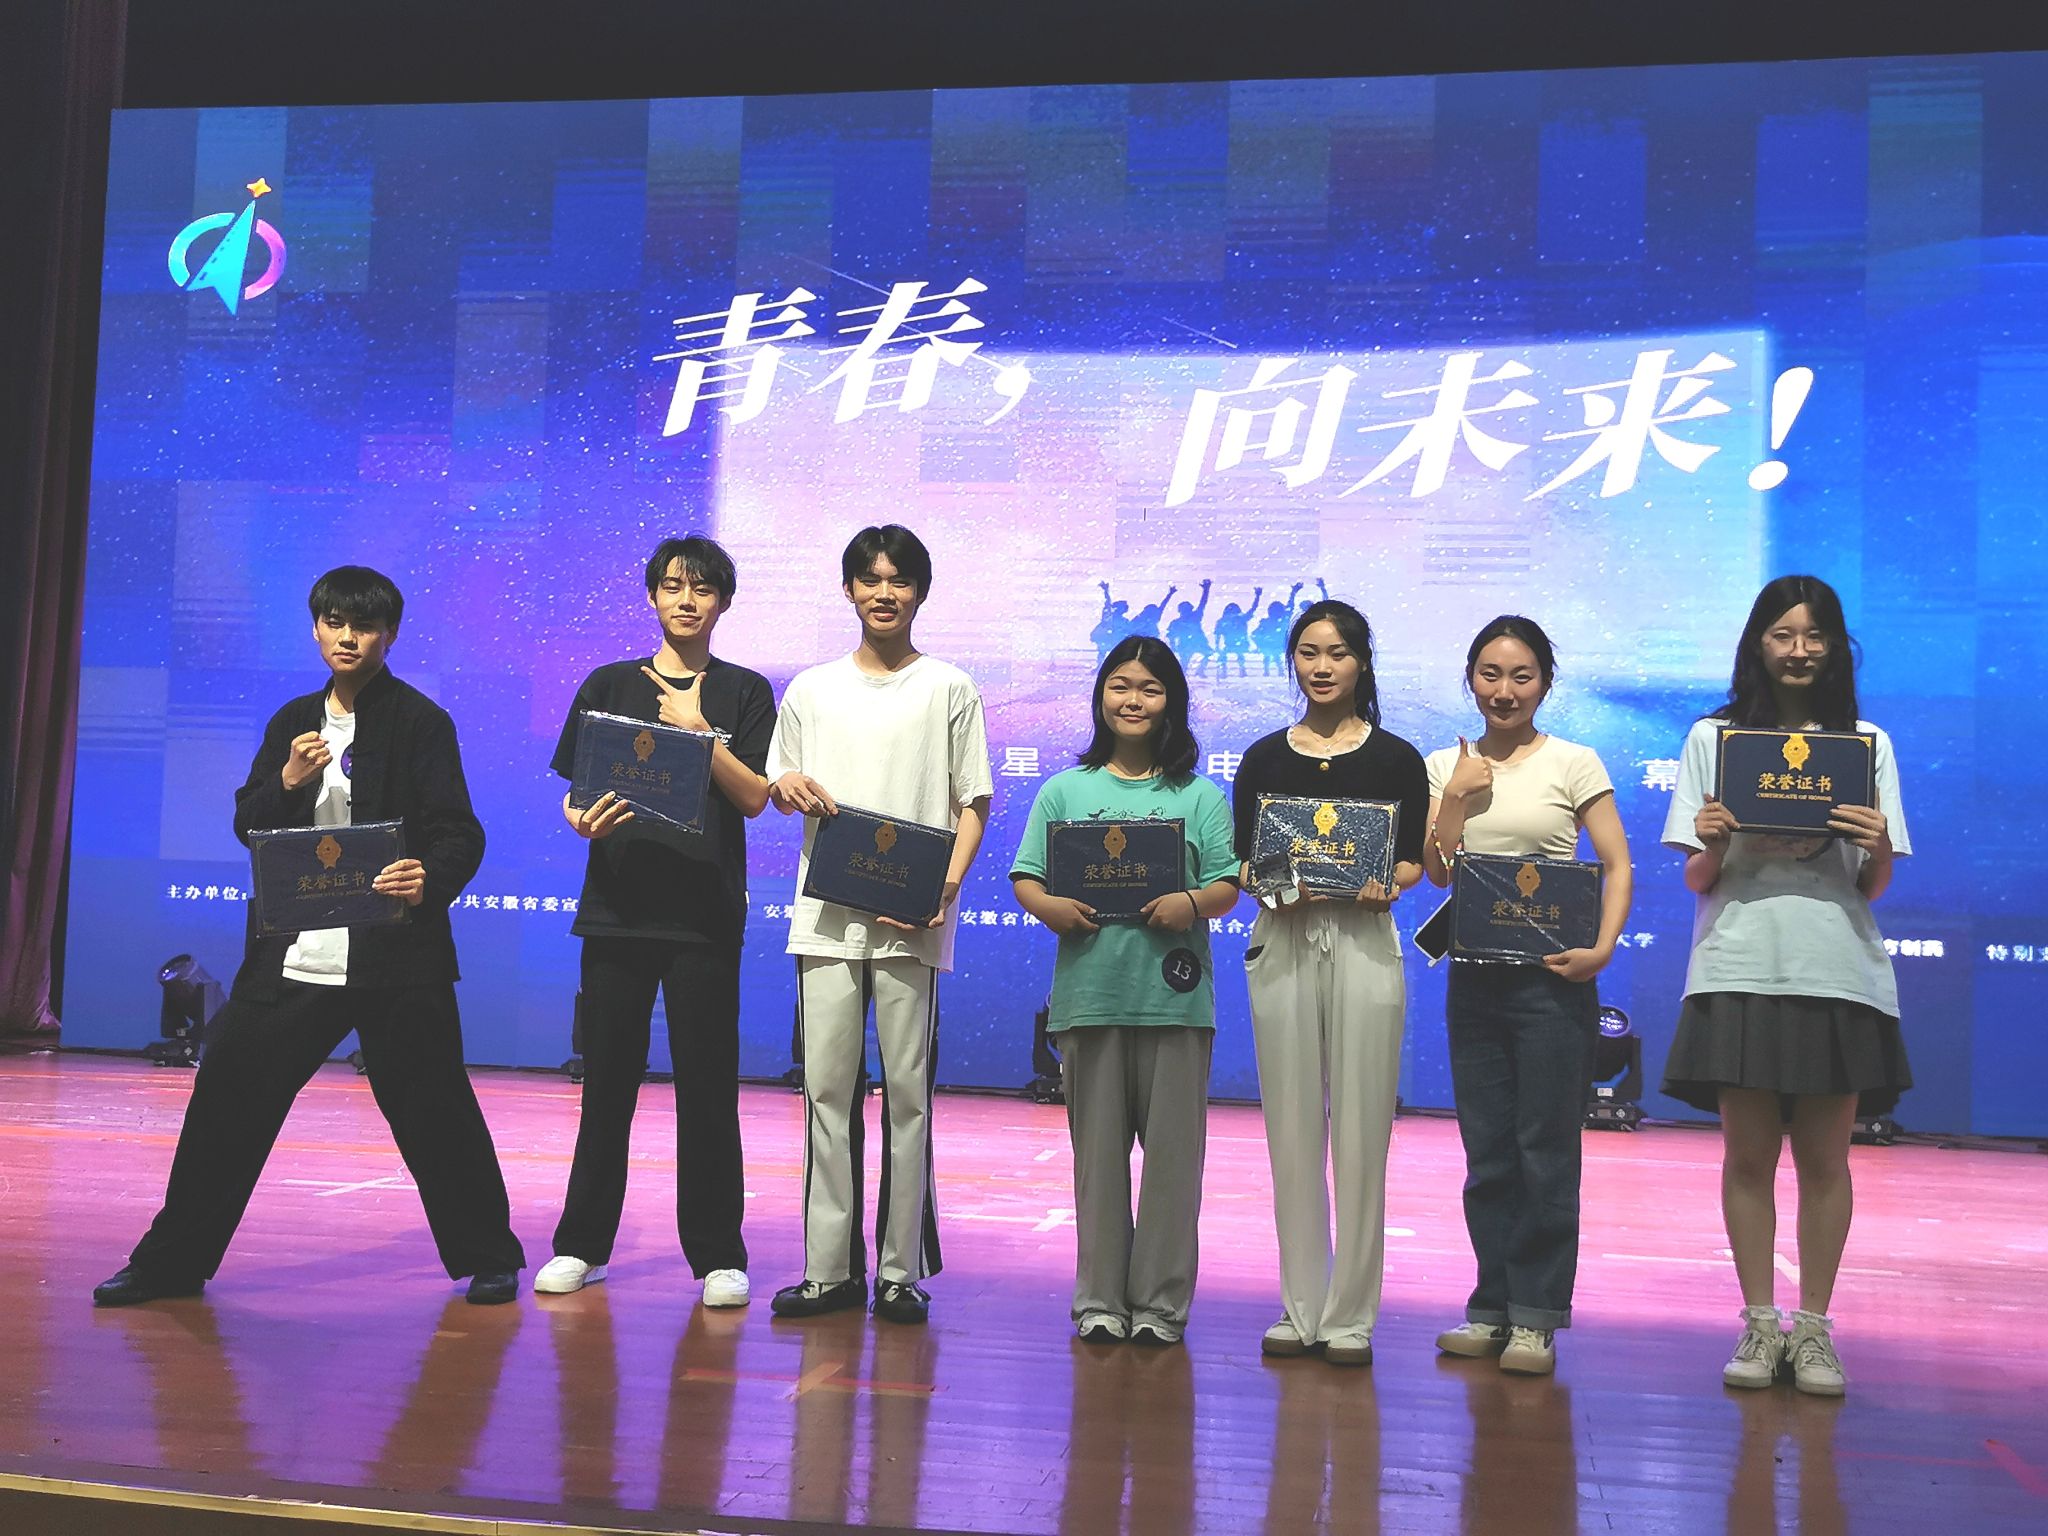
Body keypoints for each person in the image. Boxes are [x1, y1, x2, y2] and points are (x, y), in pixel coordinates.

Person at [94, 567, 525, 1307]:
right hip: (293, 957)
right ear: (317, 628)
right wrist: (289, 780)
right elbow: (249, 824)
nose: (347, 637)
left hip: (395, 957)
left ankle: (489, 1256)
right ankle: (171, 1263)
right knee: (226, 1098)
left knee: (435, 1109)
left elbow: (460, 831)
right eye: (333, 622)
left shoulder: (421, 722)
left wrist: (429, 876)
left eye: (364, 625)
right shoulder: (292, 720)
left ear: (390, 635)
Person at [1659, 576, 1910, 1397]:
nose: (1798, 650)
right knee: (1747, 1158)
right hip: (1739, 963)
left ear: (1835, 647)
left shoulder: (1865, 744)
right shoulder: (1714, 739)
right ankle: (1761, 1324)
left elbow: (1871, 886)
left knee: (1827, 1161)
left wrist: (1878, 843)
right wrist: (1712, 840)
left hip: (1837, 967)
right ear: (1757, 643)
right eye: (1782, 634)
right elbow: (1698, 877)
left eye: (1814, 635)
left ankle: (1816, 1331)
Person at [532, 536, 776, 1306]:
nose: (686, 600)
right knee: (606, 1087)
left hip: (705, 917)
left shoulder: (743, 691)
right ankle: (582, 1245)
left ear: (723, 601)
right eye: (672, 585)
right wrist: (578, 819)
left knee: (708, 1092)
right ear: (652, 596)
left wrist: (700, 731)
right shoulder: (608, 683)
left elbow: (755, 796)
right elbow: (575, 792)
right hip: (617, 912)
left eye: (702, 588)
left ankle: (718, 1255)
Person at [763, 525, 995, 1326]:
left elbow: (974, 801)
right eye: (870, 578)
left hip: (912, 920)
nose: (884, 592)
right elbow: (778, 782)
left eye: (899, 579)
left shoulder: (950, 688)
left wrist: (945, 890)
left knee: (908, 1097)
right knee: (825, 1093)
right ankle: (827, 1271)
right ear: (849, 589)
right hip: (825, 921)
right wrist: (787, 786)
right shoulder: (811, 689)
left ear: (920, 591)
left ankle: (900, 1272)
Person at [1010, 637, 1240, 1346]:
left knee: (1173, 1168)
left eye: (1150, 688)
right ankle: (1100, 1303)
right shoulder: (1064, 790)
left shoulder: (1199, 795)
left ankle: (1160, 1309)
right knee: (1098, 1167)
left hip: (1175, 1002)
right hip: (1091, 998)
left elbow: (1227, 884)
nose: (1133, 700)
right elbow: (1028, 877)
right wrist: (1049, 907)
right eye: (1120, 685)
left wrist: (1191, 904)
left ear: (1172, 702)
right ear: (1100, 696)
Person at [1422, 616, 1631, 1375]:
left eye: (1521, 675)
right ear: (1470, 679)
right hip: (1475, 979)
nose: (1504, 690)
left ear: (1545, 682)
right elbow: (1437, 872)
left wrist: (1602, 948)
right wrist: (1456, 797)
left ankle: (1536, 1317)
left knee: (1545, 1149)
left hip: (1553, 982)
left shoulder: (1574, 762)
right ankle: (1491, 1307)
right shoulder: (1446, 764)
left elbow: (1617, 864)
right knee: (1488, 1152)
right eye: (1490, 674)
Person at [1231, 600, 1428, 1366]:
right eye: (1309, 652)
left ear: (1362, 662)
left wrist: (1389, 884)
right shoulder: (1262, 758)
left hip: (1364, 942)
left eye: (1338, 653)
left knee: (1362, 1128)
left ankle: (1350, 1316)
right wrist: (1275, 883)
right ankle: (1300, 1307)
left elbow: (1409, 863)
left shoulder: (1397, 758)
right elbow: (1243, 864)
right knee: (1290, 1128)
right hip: (1283, 936)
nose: (1322, 666)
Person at [1165, 579, 1212, 675]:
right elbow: (1171, 635)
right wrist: (1173, 646)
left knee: (1207, 654)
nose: (1185, 611)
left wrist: (1206, 590)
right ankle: (1187, 674)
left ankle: (1199, 670)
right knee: (1184, 663)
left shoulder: (1194, 617)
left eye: (1187, 609)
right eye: (1184, 609)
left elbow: (1203, 603)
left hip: (1196, 643)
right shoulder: (1178, 622)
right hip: (1188, 644)